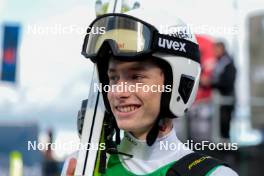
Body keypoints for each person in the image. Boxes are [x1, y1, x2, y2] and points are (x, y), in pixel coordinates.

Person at [61, 9, 238, 176]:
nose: (118, 92)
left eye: (136, 77)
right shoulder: (83, 165)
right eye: (113, 78)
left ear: (177, 83)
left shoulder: (214, 174)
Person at [211, 41, 236, 139]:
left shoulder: (228, 63)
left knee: (225, 128)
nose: (215, 52)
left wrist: (210, 83)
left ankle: (226, 151)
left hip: (226, 100)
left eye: (216, 49)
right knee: (221, 128)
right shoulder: (220, 63)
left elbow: (227, 83)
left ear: (222, 49)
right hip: (221, 101)